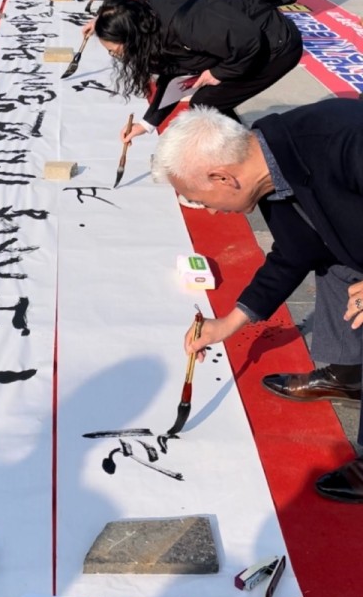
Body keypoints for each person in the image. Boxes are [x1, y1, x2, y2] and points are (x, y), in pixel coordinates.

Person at [150, 99, 363, 503]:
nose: (208, 212)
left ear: (222, 177)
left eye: (198, 198)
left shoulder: (342, 140)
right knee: (332, 259)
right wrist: (230, 322)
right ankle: (350, 377)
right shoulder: (267, 162)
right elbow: (296, 250)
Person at [94, 0, 302, 144]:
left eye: (115, 50)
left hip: (275, 44)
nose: (114, 55)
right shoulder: (148, 22)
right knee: (206, 105)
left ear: (131, 37)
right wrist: (147, 124)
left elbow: (249, 42)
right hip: (239, 43)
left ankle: (244, 160)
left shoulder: (185, 25)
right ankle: (239, 152)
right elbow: (175, 76)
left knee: (206, 105)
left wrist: (219, 72)